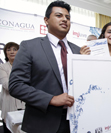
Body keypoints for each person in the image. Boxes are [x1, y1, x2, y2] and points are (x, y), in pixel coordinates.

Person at [9, 1, 80, 133]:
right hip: (43, 123)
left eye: (68, 17)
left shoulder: (78, 51)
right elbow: (16, 85)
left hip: (77, 121)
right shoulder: (29, 47)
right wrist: (51, 99)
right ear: (46, 20)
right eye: (59, 15)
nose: (65, 19)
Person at [0, 42, 25, 133]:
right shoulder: (2, 67)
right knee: (8, 129)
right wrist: (24, 87)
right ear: (5, 53)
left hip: (24, 105)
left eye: (15, 49)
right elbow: (6, 85)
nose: (12, 52)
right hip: (9, 104)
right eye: (9, 50)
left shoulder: (25, 66)